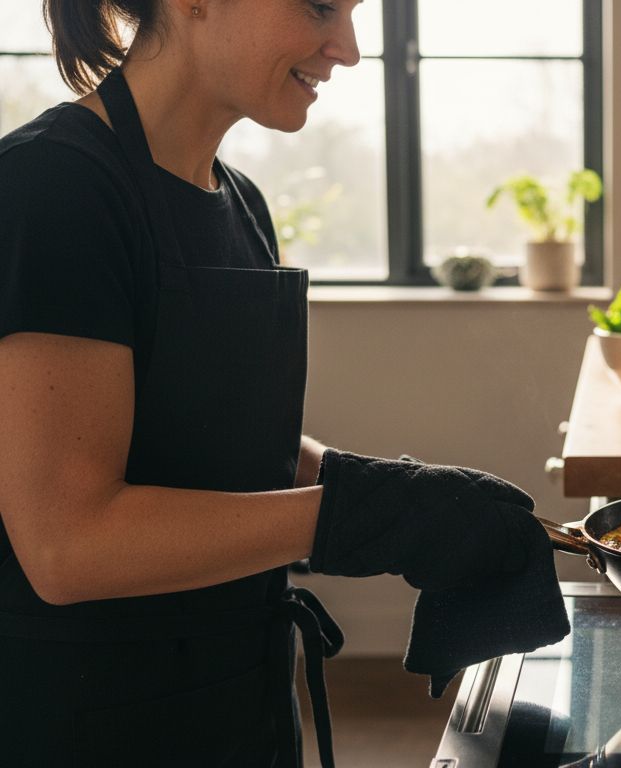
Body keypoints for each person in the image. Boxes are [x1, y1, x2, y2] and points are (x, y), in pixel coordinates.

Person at [0, 2, 568, 766]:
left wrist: (389, 488)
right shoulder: (54, 188)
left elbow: (219, 435)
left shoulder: (241, 204)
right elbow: (69, 545)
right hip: (93, 720)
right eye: (319, 6)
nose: (351, 49)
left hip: (243, 699)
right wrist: (358, 517)